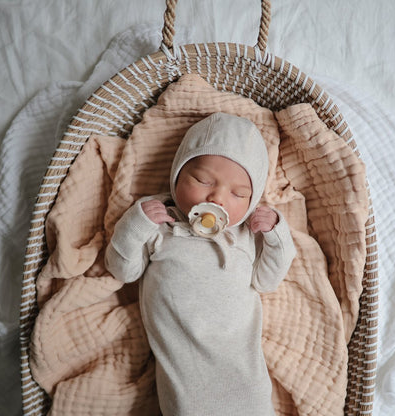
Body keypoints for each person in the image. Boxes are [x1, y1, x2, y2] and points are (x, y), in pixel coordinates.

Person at [105, 112, 296, 416]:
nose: (218, 197)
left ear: (251, 201)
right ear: (177, 174)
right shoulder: (160, 223)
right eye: (202, 180)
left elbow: (267, 280)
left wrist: (276, 233)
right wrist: (134, 225)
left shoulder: (245, 233)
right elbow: (123, 269)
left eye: (238, 194)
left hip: (240, 363)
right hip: (185, 368)